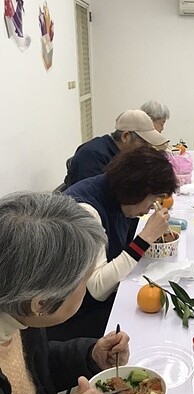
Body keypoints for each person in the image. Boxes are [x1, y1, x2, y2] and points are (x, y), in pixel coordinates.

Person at [0, 191, 130, 394]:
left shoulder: (18, 315)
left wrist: (91, 355)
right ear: (41, 302)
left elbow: (33, 370)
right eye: (83, 282)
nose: (86, 289)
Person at [48, 145, 178, 341]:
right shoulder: (86, 211)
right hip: (67, 315)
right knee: (148, 331)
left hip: (84, 303)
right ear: (138, 190)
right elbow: (98, 288)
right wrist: (145, 238)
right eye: (152, 201)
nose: (151, 208)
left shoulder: (117, 193)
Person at [64, 109, 169, 188]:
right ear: (125, 136)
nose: (146, 148)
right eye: (143, 143)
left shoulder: (125, 153)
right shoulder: (93, 155)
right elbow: (92, 198)